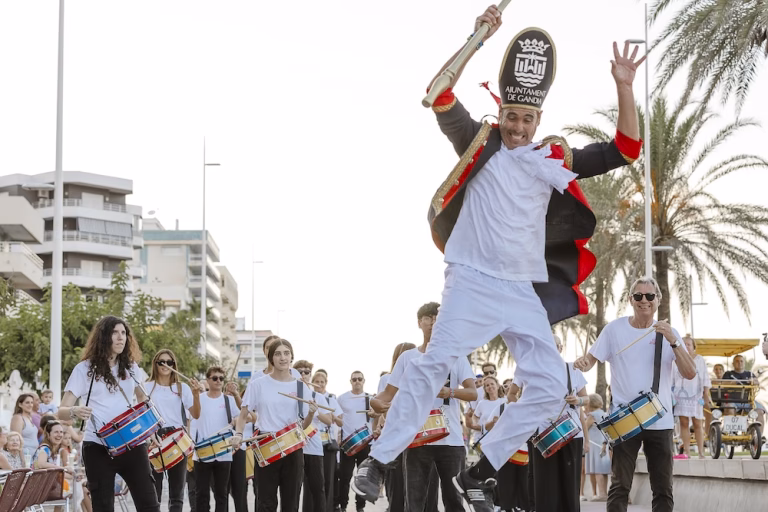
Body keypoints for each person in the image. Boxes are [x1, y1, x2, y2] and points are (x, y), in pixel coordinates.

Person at [352, 5, 645, 508]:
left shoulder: (553, 160)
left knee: (552, 386)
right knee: (433, 365)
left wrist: (623, 84)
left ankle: (481, 467)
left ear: (538, 120)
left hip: (519, 289)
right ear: (501, 113)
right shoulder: (478, 141)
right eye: (511, 116)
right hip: (470, 281)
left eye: (527, 119)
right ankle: (378, 461)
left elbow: (626, 147)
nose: (517, 127)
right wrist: (477, 38)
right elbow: (437, 94)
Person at [575, 277, 696, 512]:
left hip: (659, 420)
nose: (644, 301)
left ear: (658, 300)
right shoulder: (614, 329)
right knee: (620, 485)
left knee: (662, 488)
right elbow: (591, 359)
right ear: (630, 299)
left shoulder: (669, 333)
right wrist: (583, 362)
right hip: (624, 420)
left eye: (650, 296)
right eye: (638, 296)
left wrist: (673, 340)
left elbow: (690, 372)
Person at [367, 302, 477, 512]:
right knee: (414, 502)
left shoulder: (457, 357)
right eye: (428, 317)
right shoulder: (408, 358)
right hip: (416, 439)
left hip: (451, 440)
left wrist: (449, 392)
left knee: (454, 501)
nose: (433, 322)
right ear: (419, 323)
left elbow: (473, 392)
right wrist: (375, 402)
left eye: (438, 318)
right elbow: (387, 394)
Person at [58, 315, 161, 512]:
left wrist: (150, 430)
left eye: (124, 333)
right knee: (103, 506)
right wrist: (74, 410)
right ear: (104, 336)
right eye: (115, 332)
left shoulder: (132, 369)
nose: (121, 337)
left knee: (150, 505)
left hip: (133, 444)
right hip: (98, 447)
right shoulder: (84, 369)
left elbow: (143, 400)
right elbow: (60, 412)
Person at [232, 339, 318, 512]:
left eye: (286, 353)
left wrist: (310, 413)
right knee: (265, 504)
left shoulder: (301, 387)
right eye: (278, 353)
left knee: (291, 504)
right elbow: (242, 416)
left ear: (291, 356)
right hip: (266, 447)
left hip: (293, 450)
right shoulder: (258, 384)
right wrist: (239, 434)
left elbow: (303, 425)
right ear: (271, 358)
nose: (282, 357)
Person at [529, 335, 588, 512]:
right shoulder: (533, 372)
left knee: (570, 485)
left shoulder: (573, 370)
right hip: (543, 434)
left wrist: (578, 400)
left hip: (571, 433)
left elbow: (587, 399)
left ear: (560, 348)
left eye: (554, 345)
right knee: (545, 486)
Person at [145, 349, 203, 512]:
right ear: (155, 365)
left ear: (174, 365)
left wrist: (196, 394)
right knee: (153, 491)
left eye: (169, 362)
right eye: (161, 362)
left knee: (176, 492)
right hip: (153, 436)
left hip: (177, 436)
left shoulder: (181, 387)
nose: (165, 365)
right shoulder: (146, 387)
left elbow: (196, 414)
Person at [193, 366, 240, 512]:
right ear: (208, 380)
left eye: (221, 378)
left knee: (222, 494)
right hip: (202, 452)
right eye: (214, 378)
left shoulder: (229, 400)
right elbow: (193, 417)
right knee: (201, 494)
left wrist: (236, 427)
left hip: (224, 451)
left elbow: (243, 417)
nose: (218, 381)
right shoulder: (199, 398)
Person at [294, 360, 334, 512]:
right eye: (300, 371)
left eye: (306, 372)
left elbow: (329, 420)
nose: (303, 374)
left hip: (314, 448)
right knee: (293, 490)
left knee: (318, 489)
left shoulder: (317, 396)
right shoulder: (290, 394)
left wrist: (315, 412)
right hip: (294, 447)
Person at [337, 371, 374, 512]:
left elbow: (378, 417)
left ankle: (360, 507)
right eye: (354, 379)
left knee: (362, 478)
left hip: (365, 444)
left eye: (359, 379)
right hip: (347, 443)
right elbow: (337, 418)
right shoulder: (342, 398)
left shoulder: (370, 398)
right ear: (350, 381)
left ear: (364, 381)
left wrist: (375, 414)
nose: (357, 381)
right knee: (344, 477)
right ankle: (343, 505)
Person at [672, 336, 712, 459]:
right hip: (680, 395)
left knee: (697, 423)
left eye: (689, 344)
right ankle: (687, 452)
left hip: (696, 395)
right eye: (684, 344)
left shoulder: (699, 359)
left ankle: (701, 452)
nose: (686, 346)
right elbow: (672, 378)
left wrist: (706, 394)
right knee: (683, 423)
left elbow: (705, 377)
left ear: (693, 347)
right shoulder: (675, 360)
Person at [311, 369, 343, 512]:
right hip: (312, 442)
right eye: (316, 382)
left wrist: (331, 416)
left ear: (326, 383)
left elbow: (338, 421)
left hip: (328, 443)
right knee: (314, 481)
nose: (319, 384)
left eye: (322, 382)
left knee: (328, 479)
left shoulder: (331, 399)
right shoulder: (309, 397)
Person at [722, 354, 766, 426]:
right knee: (729, 408)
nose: (739, 363)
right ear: (733, 364)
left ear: (744, 363)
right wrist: (733, 383)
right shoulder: (728, 374)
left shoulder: (750, 374)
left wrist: (752, 381)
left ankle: (759, 436)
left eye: (741, 361)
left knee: (760, 411)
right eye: (737, 361)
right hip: (732, 400)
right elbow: (723, 383)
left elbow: (756, 382)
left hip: (748, 401)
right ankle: (730, 433)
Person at [584, 394, 610, 502]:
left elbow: (584, 428)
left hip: (594, 444)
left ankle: (601, 494)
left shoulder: (592, 415)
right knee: (603, 469)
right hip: (603, 443)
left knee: (597, 469)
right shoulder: (604, 414)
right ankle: (604, 492)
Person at [11, 393, 39, 461]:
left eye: (32, 402)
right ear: (20, 404)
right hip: (23, 457)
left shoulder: (29, 418)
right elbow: (17, 440)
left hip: (32, 457)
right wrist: (23, 461)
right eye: (27, 403)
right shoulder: (18, 418)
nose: (30, 405)